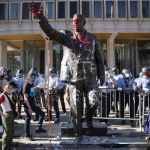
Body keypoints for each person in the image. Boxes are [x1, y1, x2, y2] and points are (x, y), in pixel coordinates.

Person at [29, 2, 105, 135]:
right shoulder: (66, 36)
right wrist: (41, 18)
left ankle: (88, 119)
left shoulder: (93, 39)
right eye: (74, 21)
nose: (75, 23)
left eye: (78, 21)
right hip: (73, 78)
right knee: (76, 106)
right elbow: (50, 32)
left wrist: (102, 75)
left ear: (83, 23)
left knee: (94, 102)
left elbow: (99, 58)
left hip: (90, 77)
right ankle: (78, 132)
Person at [23, 71, 46, 141]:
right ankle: (27, 135)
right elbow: (25, 98)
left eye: (34, 77)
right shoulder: (26, 85)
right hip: (28, 105)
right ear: (28, 77)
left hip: (33, 104)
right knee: (28, 119)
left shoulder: (32, 84)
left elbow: (32, 95)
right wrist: (29, 108)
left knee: (42, 114)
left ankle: (39, 128)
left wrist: (36, 103)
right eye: (32, 76)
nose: (33, 78)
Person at [0, 81, 16, 150]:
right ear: (8, 86)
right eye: (11, 87)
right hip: (6, 114)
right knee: (7, 134)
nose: (12, 89)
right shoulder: (3, 95)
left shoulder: (10, 94)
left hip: (11, 114)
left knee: (11, 132)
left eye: (13, 88)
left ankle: (8, 147)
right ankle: (5, 148)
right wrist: (2, 114)